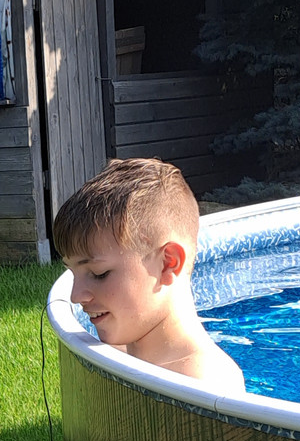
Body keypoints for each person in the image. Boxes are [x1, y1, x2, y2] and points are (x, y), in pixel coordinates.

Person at [51, 157, 246, 393]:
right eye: (73, 273)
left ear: (168, 264)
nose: (76, 296)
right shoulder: (113, 354)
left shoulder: (208, 382)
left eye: (99, 273)